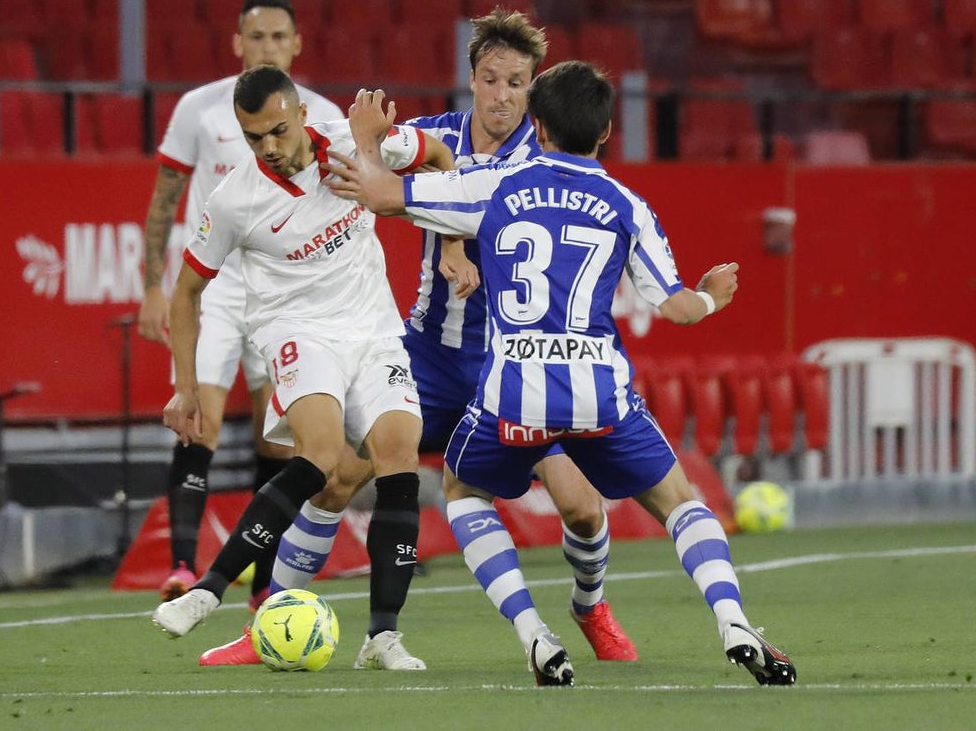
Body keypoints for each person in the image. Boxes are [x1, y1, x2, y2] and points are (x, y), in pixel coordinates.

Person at [322, 66, 798, 687]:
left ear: (537, 125)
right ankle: (733, 619)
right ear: (604, 132)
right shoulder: (627, 205)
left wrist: (366, 140)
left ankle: (532, 632)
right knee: (681, 502)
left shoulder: (495, 184)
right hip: (599, 392)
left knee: (465, 492)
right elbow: (678, 309)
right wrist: (711, 297)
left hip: (514, 389)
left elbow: (382, 193)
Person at [196, 8, 636, 668]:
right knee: (337, 478)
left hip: (511, 365)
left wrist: (473, 254)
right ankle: (265, 630)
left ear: (534, 89)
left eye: (517, 83)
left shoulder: (550, 161)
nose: (502, 96)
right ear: (472, 80)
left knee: (578, 506)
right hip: (426, 356)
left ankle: (590, 605)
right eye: (491, 79)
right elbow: (380, 175)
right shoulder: (435, 133)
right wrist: (376, 157)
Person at [151, 65, 457, 672]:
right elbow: (186, 293)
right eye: (254, 137)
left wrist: (450, 241)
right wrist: (186, 387)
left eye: (278, 131)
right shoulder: (235, 200)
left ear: (298, 114)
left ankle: (382, 638)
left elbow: (442, 155)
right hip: (299, 331)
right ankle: (208, 591)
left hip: (373, 328)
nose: (269, 147)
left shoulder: (351, 142)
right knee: (319, 456)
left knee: (398, 453)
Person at [138, 0, 343, 609]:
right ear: (237, 42)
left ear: (297, 43)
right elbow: (165, 199)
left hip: (282, 293)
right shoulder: (200, 111)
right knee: (196, 415)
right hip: (219, 290)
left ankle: (261, 581)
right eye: (256, 37)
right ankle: (180, 565)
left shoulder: (322, 115)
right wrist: (151, 284)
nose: (267, 47)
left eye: (278, 37)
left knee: (275, 440)